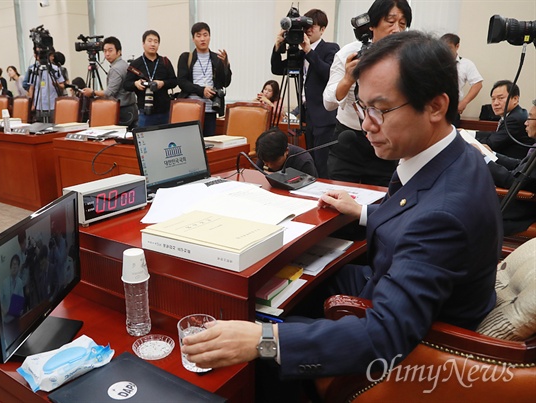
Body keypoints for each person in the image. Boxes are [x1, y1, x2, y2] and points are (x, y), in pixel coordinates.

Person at [181, 31, 502, 400]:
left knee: (263, 340)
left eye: (380, 109)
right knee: (291, 285)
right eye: (363, 108)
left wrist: (263, 340)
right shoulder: (451, 154)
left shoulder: (443, 215)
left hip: (420, 349)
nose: (367, 124)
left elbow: (385, 335)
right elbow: (411, 211)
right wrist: (363, 211)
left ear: (435, 106)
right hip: (387, 285)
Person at [323, 0, 412, 187]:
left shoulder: (408, 58)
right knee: (339, 198)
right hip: (349, 139)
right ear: (372, 24)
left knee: (382, 201)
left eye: (402, 24)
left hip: (387, 140)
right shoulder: (350, 54)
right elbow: (328, 102)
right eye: (390, 21)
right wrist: (348, 79)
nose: (396, 29)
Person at [271, 8, 339, 179]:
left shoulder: (330, 48)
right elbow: (278, 69)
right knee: (312, 164)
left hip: (325, 118)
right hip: (307, 117)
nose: (307, 30)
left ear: (322, 29)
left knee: (323, 164)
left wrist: (309, 51)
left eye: (312, 27)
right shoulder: (300, 53)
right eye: (305, 27)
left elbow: (328, 73)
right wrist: (278, 46)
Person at [475, 99, 536, 236]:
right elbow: (519, 166)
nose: (526, 122)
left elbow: (513, 181)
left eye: (530, 118)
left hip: (520, 207)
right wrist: (490, 154)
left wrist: (482, 159)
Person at [177, 22, 232, 137]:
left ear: (209, 37)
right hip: (190, 108)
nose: (202, 39)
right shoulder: (186, 57)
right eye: (198, 35)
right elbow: (182, 82)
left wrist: (225, 65)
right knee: (191, 142)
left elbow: (225, 83)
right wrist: (201, 90)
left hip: (210, 108)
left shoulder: (217, 58)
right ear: (193, 39)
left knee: (209, 143)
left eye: (205, 35)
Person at [124, 30, 178, 127]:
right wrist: (135, 84)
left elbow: (174, 81)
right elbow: (126, 85)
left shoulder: (165, 62)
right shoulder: (136, 64)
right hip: (145, 112)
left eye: (156, 42)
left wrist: (162, 83)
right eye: (149, 41)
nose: (153, 44)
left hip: (164, 110)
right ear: (143, 44)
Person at [82, 36, 137, 127]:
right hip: (131, 108)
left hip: (122, 111)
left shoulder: (116, 69)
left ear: (119, 52)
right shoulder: (124, 64)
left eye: (110, 50)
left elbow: (109, 93)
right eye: (105, 51)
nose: (107, 54)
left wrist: (92, 92)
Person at [476, 80, 533, 159]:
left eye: (500, 98)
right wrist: (469, 133)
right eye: (493, 99)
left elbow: (491, 144)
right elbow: (496, 134)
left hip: (513, 166)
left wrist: (466, 139)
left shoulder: (514, 119)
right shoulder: (515, 114)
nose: (495, 103)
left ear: (515, 99)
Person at [440, 33, 483, 126]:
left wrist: (464, 102)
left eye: (449, 48)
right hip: (434, 107)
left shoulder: (466, 64)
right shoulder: (434, 62)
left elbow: (478, 84)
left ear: (457, 46)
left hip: (453, 109)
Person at [27, 48, 66, 123]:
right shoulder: (34, 70)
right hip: (39, 106)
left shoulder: (55, 69)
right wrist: (32, 104)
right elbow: (31, 88)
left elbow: (63, 86)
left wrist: (56, 84)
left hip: (52, 105)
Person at [0, 254, 24, 323]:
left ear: (19, 267)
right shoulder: (5, 282)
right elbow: (0, 301)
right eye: (13, 264)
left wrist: (20, 310)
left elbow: (21, 298)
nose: (14, 266)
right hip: (6, 319)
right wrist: (4, 311)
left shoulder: (20, 282)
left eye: (16, 264)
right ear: (10, 266)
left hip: (16, 318)